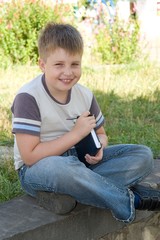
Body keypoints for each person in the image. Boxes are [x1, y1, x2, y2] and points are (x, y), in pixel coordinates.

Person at [11, 22, 159, 223]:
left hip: (82, 163)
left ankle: (68, 194)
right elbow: (29, 157)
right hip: (39, 169)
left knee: (142, 155)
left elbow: (101, 134)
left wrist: (100, 148)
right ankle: (130, 200)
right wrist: (75, 135)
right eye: (59, 65)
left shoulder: (84, 94)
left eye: (75, 64)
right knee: (61, 168)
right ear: (42, 64)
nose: (68, 72)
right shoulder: (28, 97)